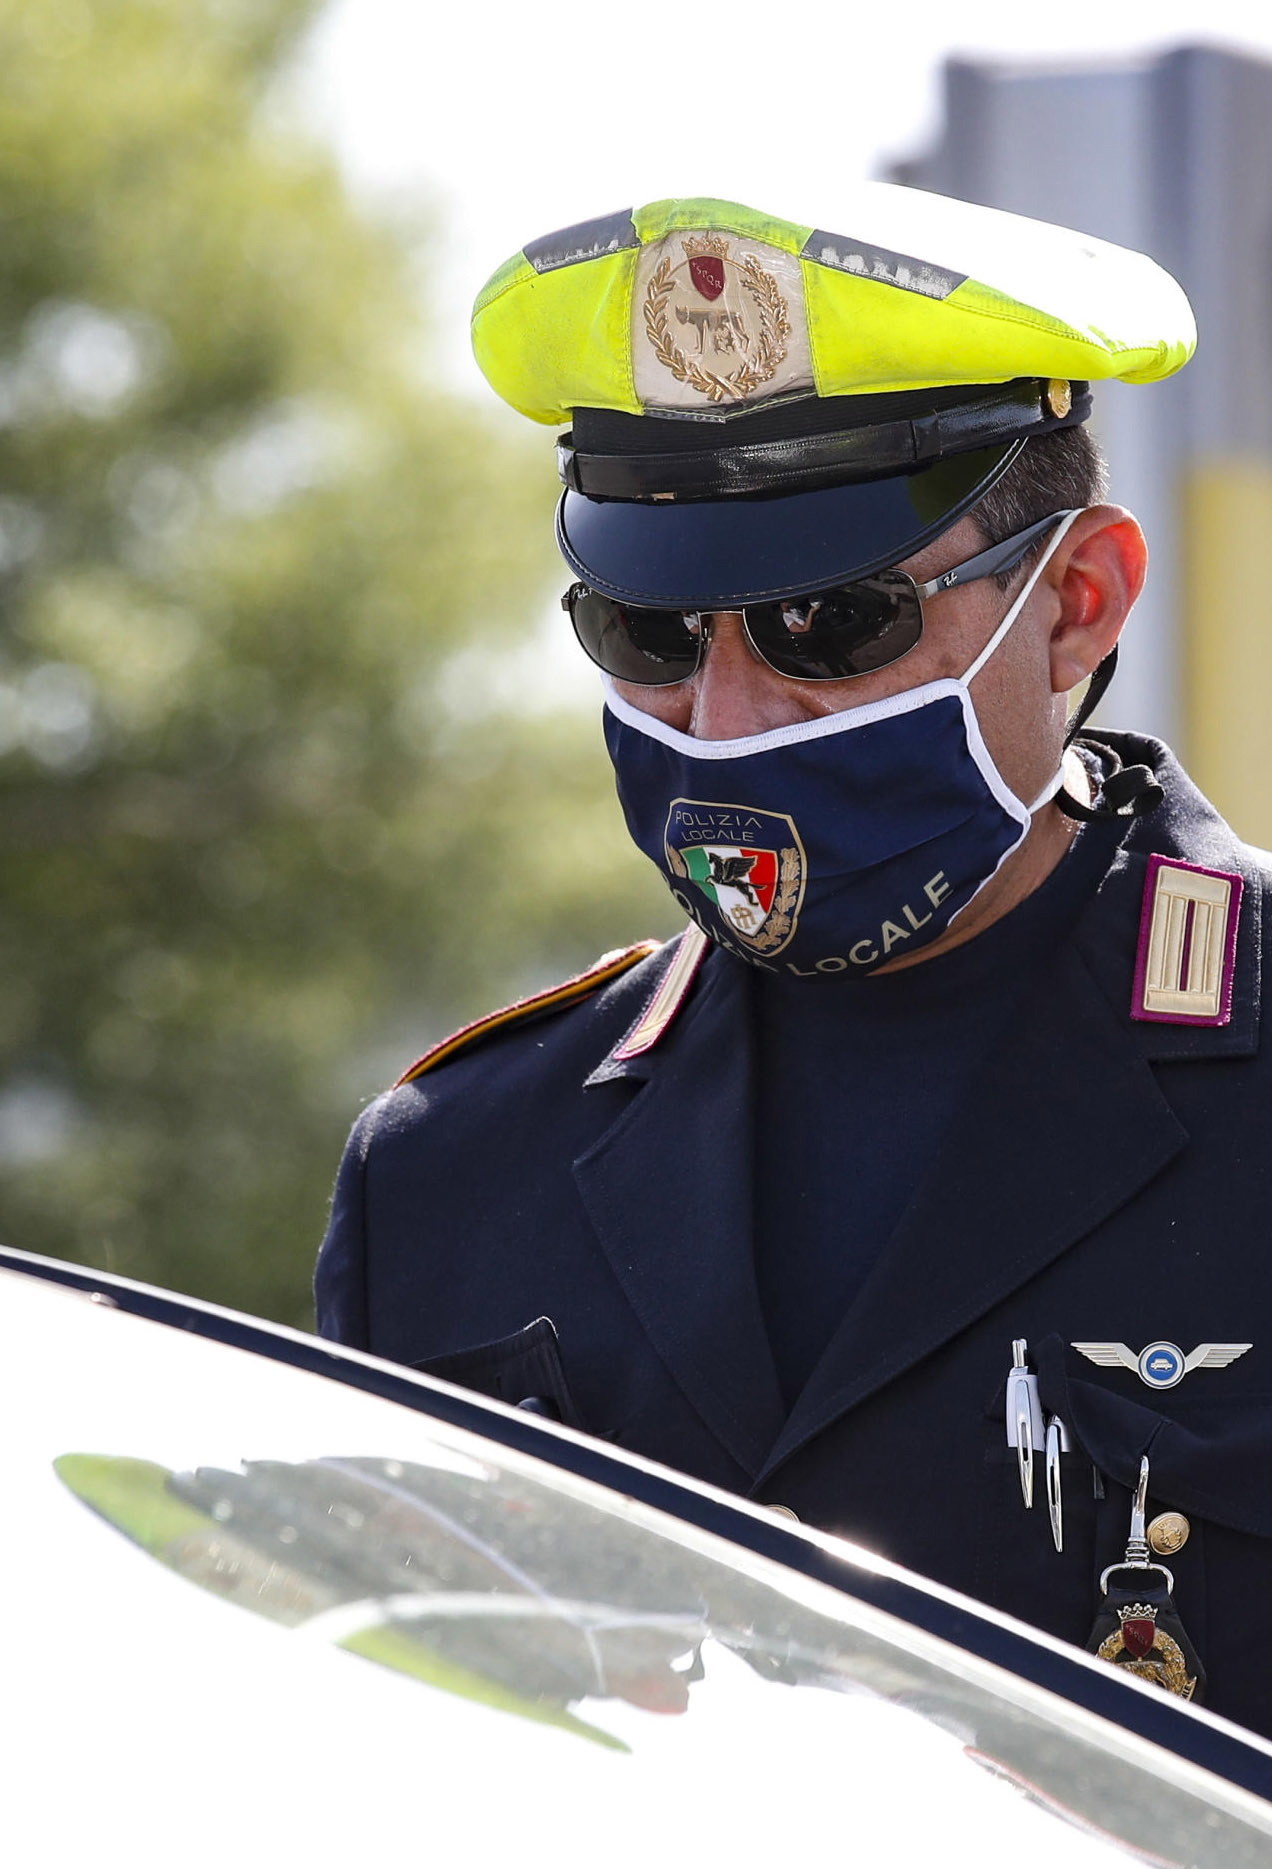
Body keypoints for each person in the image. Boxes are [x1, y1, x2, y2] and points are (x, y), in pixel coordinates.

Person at [316, 187, 1272, 1737]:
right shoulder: (450, 1172)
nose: (728, 713)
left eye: (832, 620)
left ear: (1077, 603)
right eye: (649, 633)